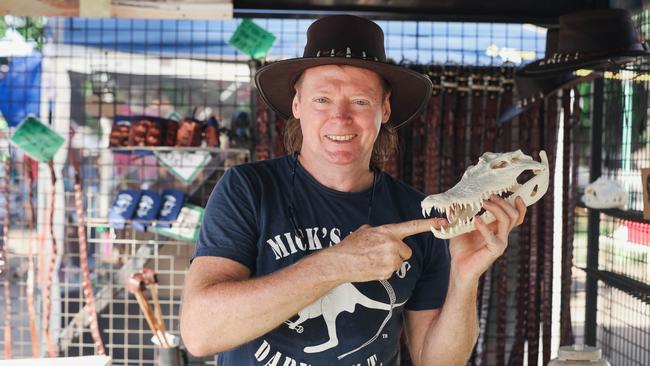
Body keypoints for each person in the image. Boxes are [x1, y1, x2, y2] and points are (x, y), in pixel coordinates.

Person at [180, 15, 526, 365]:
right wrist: (338, 264)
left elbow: (435, 361)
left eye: (360, 101)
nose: (341, 117)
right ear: (297, 105)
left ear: (384, 109)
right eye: (322, 99)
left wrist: (464, 278)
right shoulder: (248, 190)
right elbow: (200, 333)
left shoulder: (420, 215)